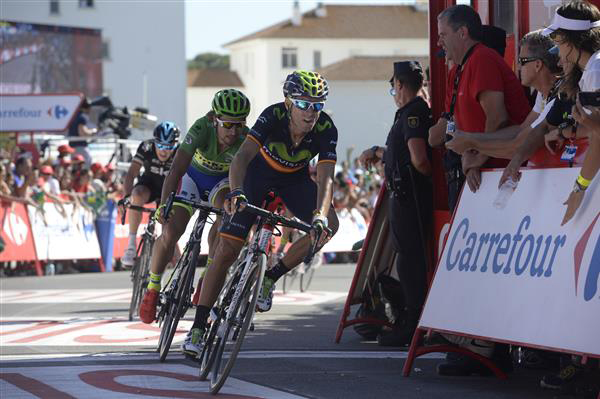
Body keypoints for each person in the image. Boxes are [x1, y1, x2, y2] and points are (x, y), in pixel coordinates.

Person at [177, 70, 339, 356]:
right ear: (288, 103)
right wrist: (237, 191)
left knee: (329, 226)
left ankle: (270, 277)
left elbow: (326, 178)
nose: (311, 112)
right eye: (304, 104)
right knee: (227, 251)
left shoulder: (326, 129)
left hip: (294, 182)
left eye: (317, 105)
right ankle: (198, 328)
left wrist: (319, 215)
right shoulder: (272, 116)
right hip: (256, 177)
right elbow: (241, 158)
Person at [433, 4, 531, 376]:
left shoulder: (483, 60)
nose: (440, 43)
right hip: (482, 171)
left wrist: (476, 158)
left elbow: (499, 118)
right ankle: (477, 343)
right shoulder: (463, 66)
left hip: (495, 173)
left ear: (462, 33)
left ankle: (486, 348)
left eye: (443, 35)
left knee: (489, 270)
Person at [136, 89, 251, 354]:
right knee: (171, 232)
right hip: (191, 180)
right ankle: (153, 287)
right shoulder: (201, 127)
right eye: (228, 124)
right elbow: (176, 168)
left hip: (220, 185)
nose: (233, 131)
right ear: (214, 118)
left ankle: (207, 275)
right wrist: (165, 203)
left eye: (240, 123)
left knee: (227, 214)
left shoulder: (245, 137)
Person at [502, 0, 600, 227]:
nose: (555, 48)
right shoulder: (589, 69)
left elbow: (598, 134)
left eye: (556, 38)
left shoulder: (595, 67)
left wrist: (580, 187)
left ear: (569, 39)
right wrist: (567, 131)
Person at [358, 61, 433, 347]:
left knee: (409, 261)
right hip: (407, 195)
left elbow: (419, 158)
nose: (394, 93)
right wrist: (381, 152)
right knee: (409, 258)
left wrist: (420, 179)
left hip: (408, 197)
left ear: (400, 85)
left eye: (393, 88)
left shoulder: (412, 112)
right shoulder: (414, 111)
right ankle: (412, 317)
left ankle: (411, 321)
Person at [445, 30, 576, 166]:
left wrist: (472, 143)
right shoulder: (543, 94)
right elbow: (521, 130)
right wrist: (471, 139)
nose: (518, 66)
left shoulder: (556, 98)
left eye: (522, 61)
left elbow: (518, 146)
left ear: (538, 65)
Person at [120, 121, 180, 267]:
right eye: (160, 146)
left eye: (168, 147)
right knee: (137, 195)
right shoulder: (146, 147)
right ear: (154, 142)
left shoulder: (181, 151)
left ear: (175, 144)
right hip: (149, 185)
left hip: (168, 189)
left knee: (169, 225)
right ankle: (131, 245)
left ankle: (174, 254)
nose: (163, 151)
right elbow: (132, 173)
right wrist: (126, 197)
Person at [67, 98, 97, 167]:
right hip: (80, 146)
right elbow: (82, 133)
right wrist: (93, 132)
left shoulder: (73, 115)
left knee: (75, 166)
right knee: (86, 163)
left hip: (72, 146)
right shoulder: (81, 117)